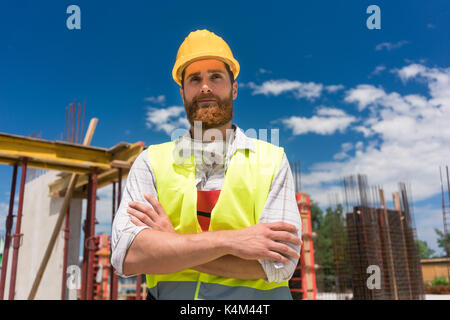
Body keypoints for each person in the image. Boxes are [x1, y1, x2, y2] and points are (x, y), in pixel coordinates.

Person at [111, 29, 302, 300]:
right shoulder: (150, 161)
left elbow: (279, 264)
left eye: (215, 76)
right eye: (194, 79)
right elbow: (126, 255)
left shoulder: (271, 161)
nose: (205, 86)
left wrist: (172, 245)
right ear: (183, 93)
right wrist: (232, 241)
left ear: (234, 88)